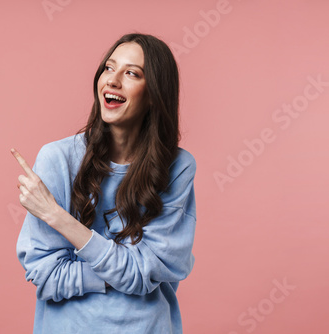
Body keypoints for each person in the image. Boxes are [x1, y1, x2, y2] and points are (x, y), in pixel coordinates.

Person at [12, 32, 197, 334]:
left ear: (154, 94)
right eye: (109, 68)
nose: (112, 80)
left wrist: (59, 218)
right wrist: (128, 271)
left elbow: (150, 272)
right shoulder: (58, 158)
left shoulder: (177, 167)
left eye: (132, 73)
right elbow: (44, 274)